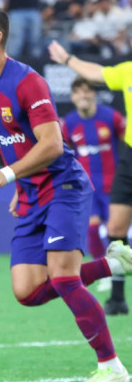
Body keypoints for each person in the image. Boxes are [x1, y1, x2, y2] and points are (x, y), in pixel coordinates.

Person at [0, 5, 131, 382]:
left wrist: (8, 175)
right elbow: (12, 144)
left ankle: (111, 366)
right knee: (27, 291)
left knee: (64, 278)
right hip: (30, 194)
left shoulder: (28, 82)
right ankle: (112, 264)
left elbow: (52, 145)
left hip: (63, 187)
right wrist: (20, 184)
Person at [49, 39, 132, 315]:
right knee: (115, 231)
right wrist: (67, 59)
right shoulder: (126, 71)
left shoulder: (109, 117)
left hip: (110, 176)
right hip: (123, 165)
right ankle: (117, 297)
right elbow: (97, 72)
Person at [62, 78, 125, 267]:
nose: (83, 95)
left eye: (87, 91)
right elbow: (65, 153)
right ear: (73, 97)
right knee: (92, 228)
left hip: (113, 184)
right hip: (86, 186)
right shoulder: (70, 123)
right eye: (79, 92)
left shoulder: (110, 117)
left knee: (117, 229)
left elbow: (127, 140)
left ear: (94, 94)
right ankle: (102, 267)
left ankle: (121, 267)